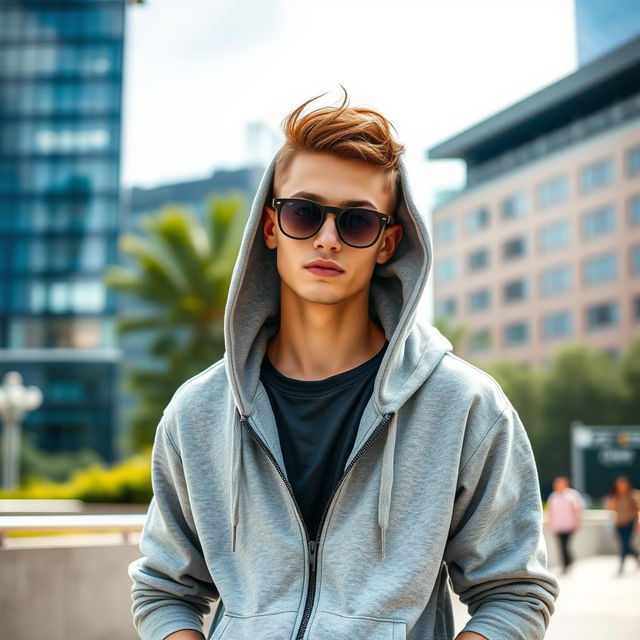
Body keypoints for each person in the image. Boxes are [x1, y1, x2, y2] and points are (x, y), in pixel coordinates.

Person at [128, 86, 559, 640]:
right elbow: (164, 589)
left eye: (356, 221)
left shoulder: (464, 404)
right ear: (270, 227)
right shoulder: (198, 411)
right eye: (304, 213)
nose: (327, 239)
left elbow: (514, 592)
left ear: (387, 241)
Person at [545, 475, 584, 574]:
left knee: (565, 545)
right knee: (561, 546)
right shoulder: (553, 497)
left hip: (569, 526)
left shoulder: (572, 495)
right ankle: (566, 564)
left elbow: (577, 510)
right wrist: (551, 525)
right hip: (558, 527)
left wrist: (578, 524)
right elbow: (550, 512)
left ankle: (568, 562)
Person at [604, 475, 640, 575]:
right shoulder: (614, 496)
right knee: (624, 545)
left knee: (624, 545)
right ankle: (636, 555)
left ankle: (621, 565)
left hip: (629, 523)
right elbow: (610, 509)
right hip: (618, 524)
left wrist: (637, 523)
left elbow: (637, 510)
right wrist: (613, 499)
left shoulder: (632, 495)